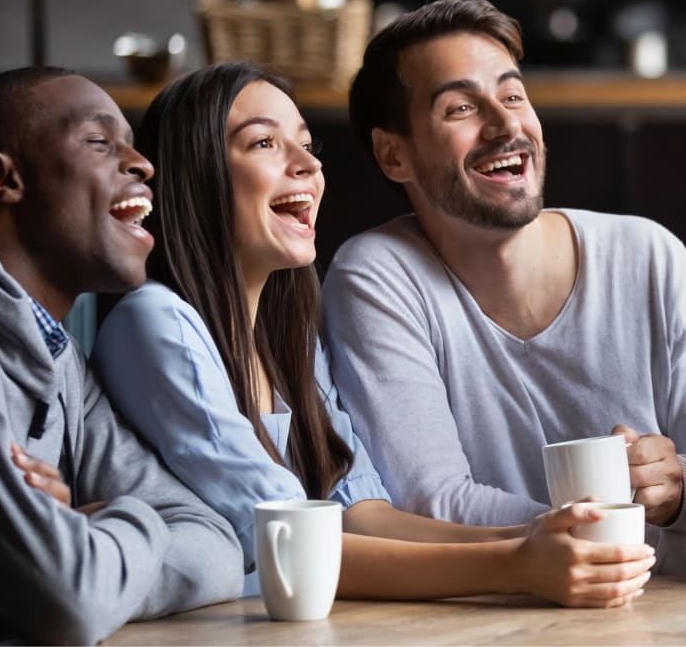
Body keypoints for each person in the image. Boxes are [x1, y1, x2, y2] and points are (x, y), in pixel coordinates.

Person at [91, 61, 655, 608]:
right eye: (264, 143)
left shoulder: (287, 342)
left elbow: (363, 512)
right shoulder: (155, 323)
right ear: (197, 174)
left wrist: (538, 536)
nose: (307, 166)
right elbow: (291, 545)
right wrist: (516, 567)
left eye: (308, 146)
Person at [322, 0, 686, 576]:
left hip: (683, 616)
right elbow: (431, 501)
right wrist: (565, 551)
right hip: (503, 619)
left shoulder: (648, 256)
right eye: (461, 107)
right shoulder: (379, 276)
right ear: (394, 155)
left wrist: (681, 489)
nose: (507, 123)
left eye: (513, 95)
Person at [0, 67, 242, 645]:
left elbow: (215, 547)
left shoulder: (60, 355)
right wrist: (119, 522)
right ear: (1, 176)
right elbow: (70, 599)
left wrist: (84, 535)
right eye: (99, 141)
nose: (142, 163)